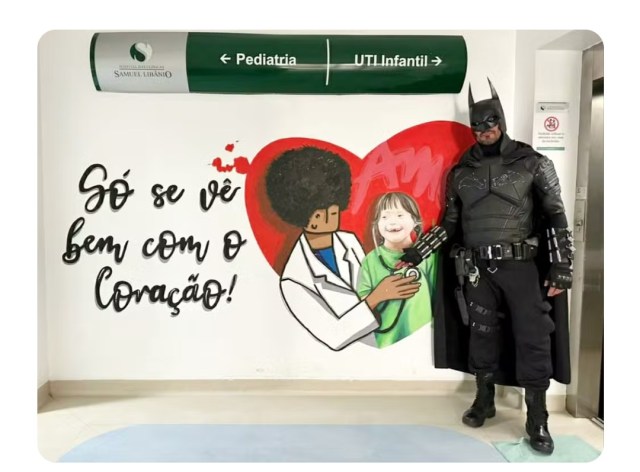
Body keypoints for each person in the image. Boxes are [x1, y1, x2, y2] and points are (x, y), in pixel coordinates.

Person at [401, 79, 573, 455]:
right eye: (477, 125)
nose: (484, 130)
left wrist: (562, 266)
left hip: (521, 267)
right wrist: (418, 252)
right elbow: (449, 224)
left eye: (490, 121)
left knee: (533, 337)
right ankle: (484, 399)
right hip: (478, 268)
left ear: (502, 120)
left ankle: (537, 417)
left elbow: (556, 215)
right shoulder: (460, 172)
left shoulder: (533, 163)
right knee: (481, 333)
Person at [265, 146, 421, 351]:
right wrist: (377, 296)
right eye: (318, 213)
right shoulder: (294, 279)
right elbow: (333, 336)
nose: (329, 216)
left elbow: (368, 281)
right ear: (299, 213)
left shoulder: (348, 241)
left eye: (333, 209)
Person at [357, 192, 437, 348]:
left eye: (400, 215)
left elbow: (438, 299)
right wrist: (381, 294)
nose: (392, 222)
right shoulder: (370, 261)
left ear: (415, 221)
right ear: (377, 224)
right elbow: (360, 304)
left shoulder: (429, 258)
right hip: (386, 343)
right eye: (385, 217)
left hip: (422, 340)